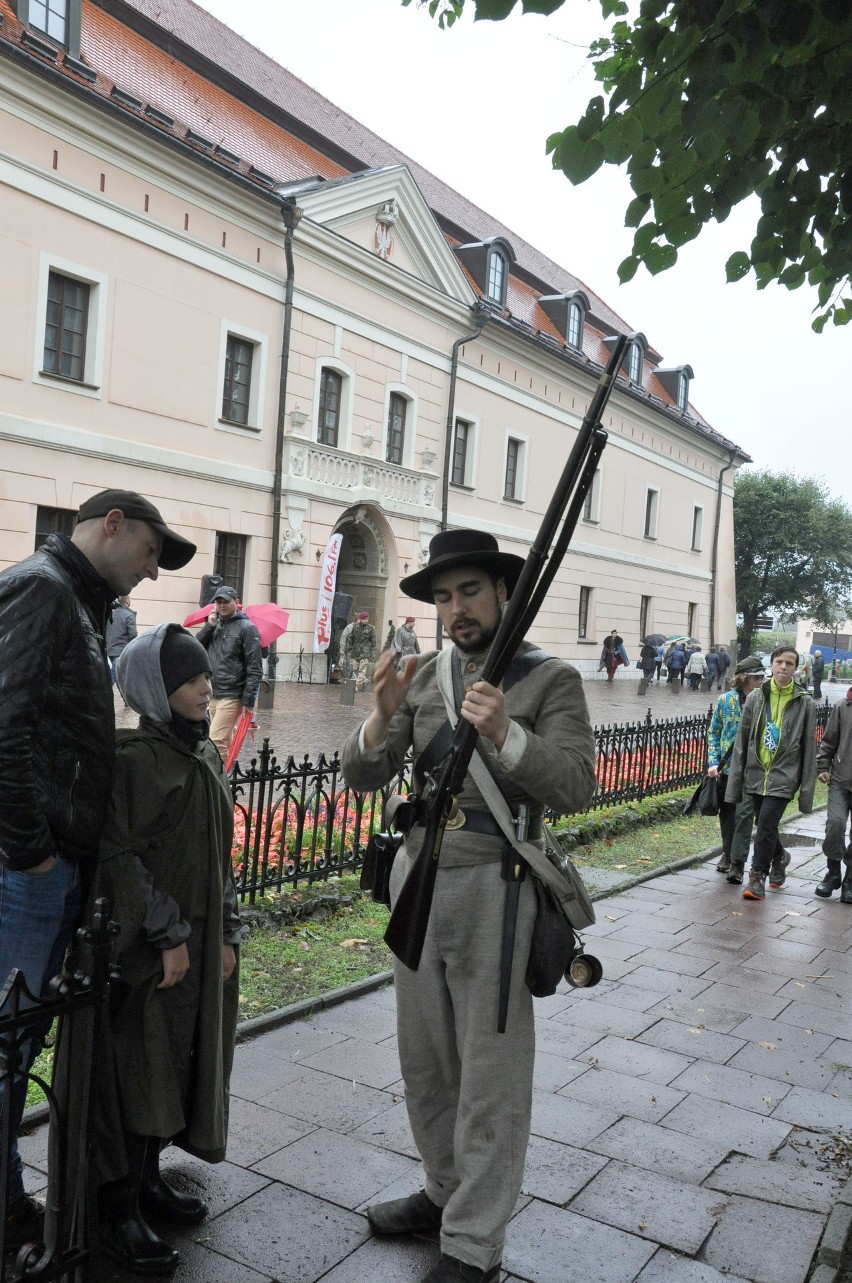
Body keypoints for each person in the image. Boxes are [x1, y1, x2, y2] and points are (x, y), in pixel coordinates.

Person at [342, 528, 595, 1283]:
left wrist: (505, 732)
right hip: (419, 881)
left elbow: (576, 785)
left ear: (502, 592)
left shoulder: (552, 681)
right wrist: (382, 714)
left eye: (470, 591)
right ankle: (441, 1189)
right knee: (425, 1063)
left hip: (498, 888)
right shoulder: (426, 677)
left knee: (490, 1074)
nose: (456, 608)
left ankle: (473, 1241)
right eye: (444, 596)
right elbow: (362, 774)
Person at [0, 488, 195, 1252]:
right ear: (111, 525)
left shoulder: (73, 600)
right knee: (9, 1044)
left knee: (17, 1042)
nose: (152, 570)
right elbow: (3, 726)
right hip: (30, 870)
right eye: (150, 550)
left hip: (49, 864)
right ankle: (6, 1208)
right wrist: (35, 854)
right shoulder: (41, 590)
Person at [91, 625, 242, 1275]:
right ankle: (118, 1209)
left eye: (207, 675)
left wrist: (228, 929)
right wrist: (169, 935)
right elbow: (118, 853)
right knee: (141, 1072)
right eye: (190, 679)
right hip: (154, 949)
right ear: (156, 688)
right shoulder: (133, 761)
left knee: (177, 1066)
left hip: (203, 944)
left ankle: (150, 1179)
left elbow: (220, 855)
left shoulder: (202, 755)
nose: (207, 687)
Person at [726, 644, 817, 901]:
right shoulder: (756, 697)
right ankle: (780, 856)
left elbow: (809, 746)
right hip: (755, 773)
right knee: (764, 824)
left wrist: (806, 786)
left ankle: (756, 878)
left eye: (789, 663)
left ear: (795, 668)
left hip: (784, 775)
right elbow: (743, 741)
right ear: (772, 665)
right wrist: (738, 777)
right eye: (779, 662)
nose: (784, 667)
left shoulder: (804, 702)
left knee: (766, 823)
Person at [706, 657, 765, 883]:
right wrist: (713, 762)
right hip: (726, 768)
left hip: (752, 770)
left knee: (744, 816)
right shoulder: (726, 701)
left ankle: (737, 862)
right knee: (728, 815)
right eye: (756, 678)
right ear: (743, 679)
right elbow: (714, 732)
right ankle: (727, 853)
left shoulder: (764, 702)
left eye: (762, 678)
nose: (761, 682)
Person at [196, 587, 263, 761]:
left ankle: (219, 778)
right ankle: (228, 778)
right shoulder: (214, 625)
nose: (222, 605)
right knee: (223, 738)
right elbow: (196, 647)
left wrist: (248, 700)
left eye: (226, 602)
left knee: (214, 740)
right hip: (212, 691)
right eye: (219, 602)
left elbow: (254, 667)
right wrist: (209, 627)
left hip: (232, 694)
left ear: (236, 602)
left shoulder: (247, 628)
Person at [815, 685, 852, 902]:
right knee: (836, 824)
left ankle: (849, 881)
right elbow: (829, 740)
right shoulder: (842, 706)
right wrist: (822, 767)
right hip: (840, 779)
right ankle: (833, 874)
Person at [104, 595, 138, 684]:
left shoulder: (111, 614)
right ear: (127, 601)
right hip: (121, 651)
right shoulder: (129, 615)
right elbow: (133, 635)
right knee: (114, 676)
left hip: (110, 649)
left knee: (115, 676)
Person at [344, 610, 378, 692]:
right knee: (354, 668)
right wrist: (348, 648)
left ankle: (356, 686)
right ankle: (362, 681)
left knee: (362, 670)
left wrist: (373, 652)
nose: (366, 620)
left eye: (367, 619)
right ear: (361, 619)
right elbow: (350, 639)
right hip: (355, 652)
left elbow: (374, 642)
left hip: (365, 653)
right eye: (365, 619)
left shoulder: (370, 629)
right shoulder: (355, 627)